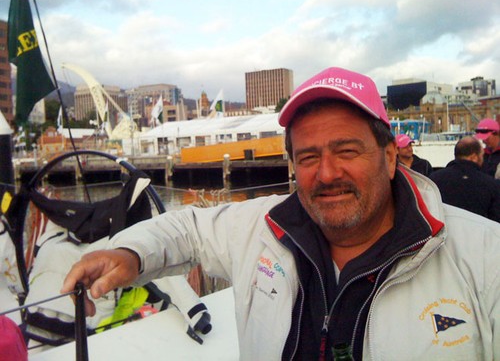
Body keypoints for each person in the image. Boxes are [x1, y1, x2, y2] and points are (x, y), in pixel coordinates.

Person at [62, 67, 500, 360]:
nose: (326, 173)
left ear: (389, 157)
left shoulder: (483, 256)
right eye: (308, 157)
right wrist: (130, 254)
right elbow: (187, 228)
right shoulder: (263, 227)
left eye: (346, 151)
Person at [430, 136, 500, 222]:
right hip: (478, 232)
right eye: (482, 155)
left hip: (446, 232)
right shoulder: (492, 185)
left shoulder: (433, 180)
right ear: (474, 157)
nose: (483, 159)